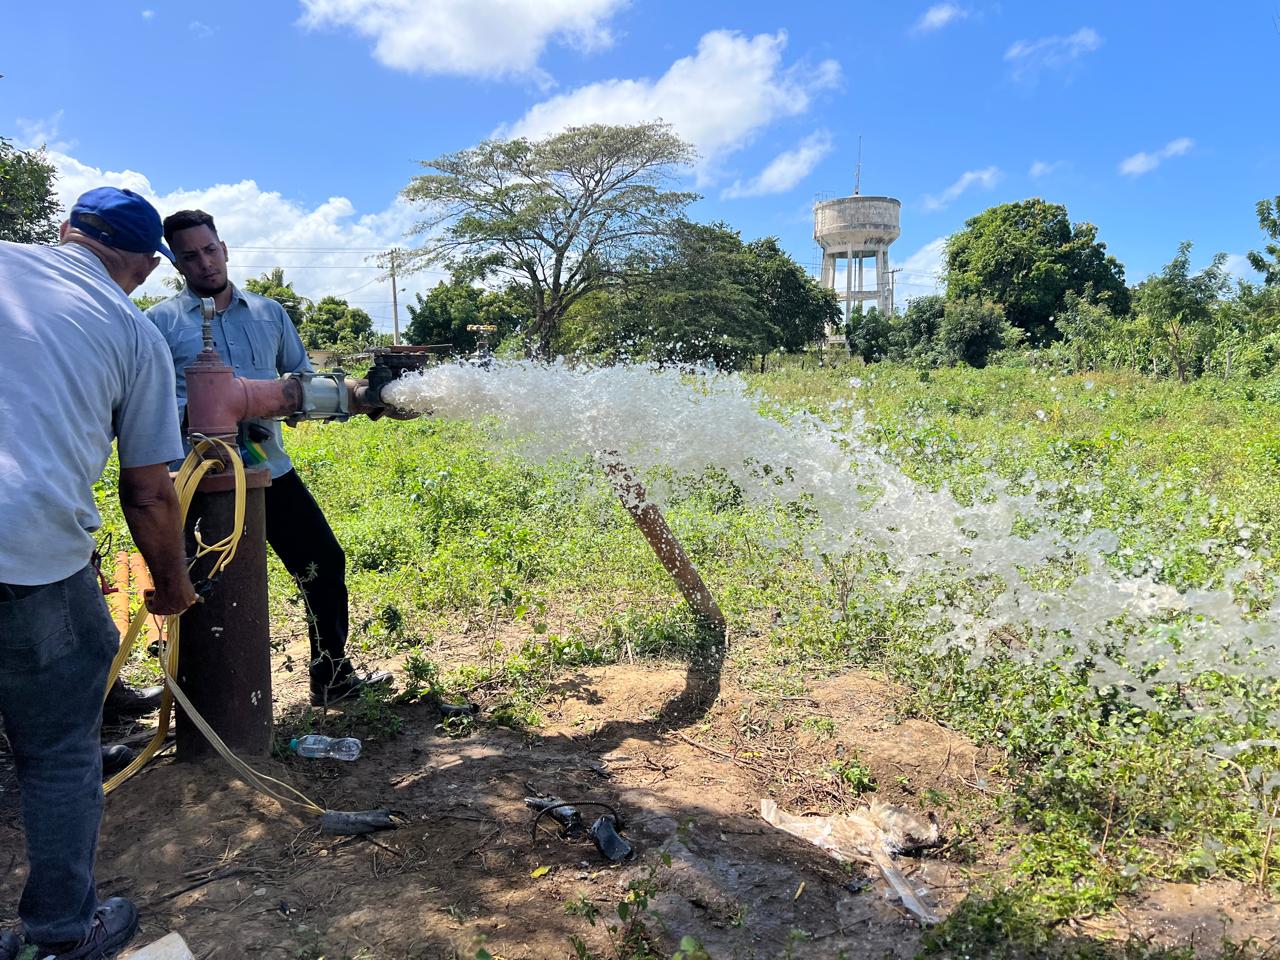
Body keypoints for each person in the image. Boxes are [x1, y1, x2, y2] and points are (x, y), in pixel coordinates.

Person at [0, 187, 198, 960]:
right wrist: (172, 585)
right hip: (26, 558)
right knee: (57, 751)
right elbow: (149, 489)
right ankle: (59, 934)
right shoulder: (134, 332)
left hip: (36, 549)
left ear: (63, 233)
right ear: (146, 267)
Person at [145, 210, 392, 706]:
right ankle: (198, 696)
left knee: (322, 562)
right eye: (190, 255)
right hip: (198, 478)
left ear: (225, 248)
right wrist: (200, 409)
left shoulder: (269, 313)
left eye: (210, 250)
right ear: (176, 263)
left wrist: (363, 397)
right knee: (194, 583)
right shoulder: (159, 324)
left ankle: (332, 677)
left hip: (267, 466)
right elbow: (145, 405)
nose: (205, 263)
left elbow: (302, 383)